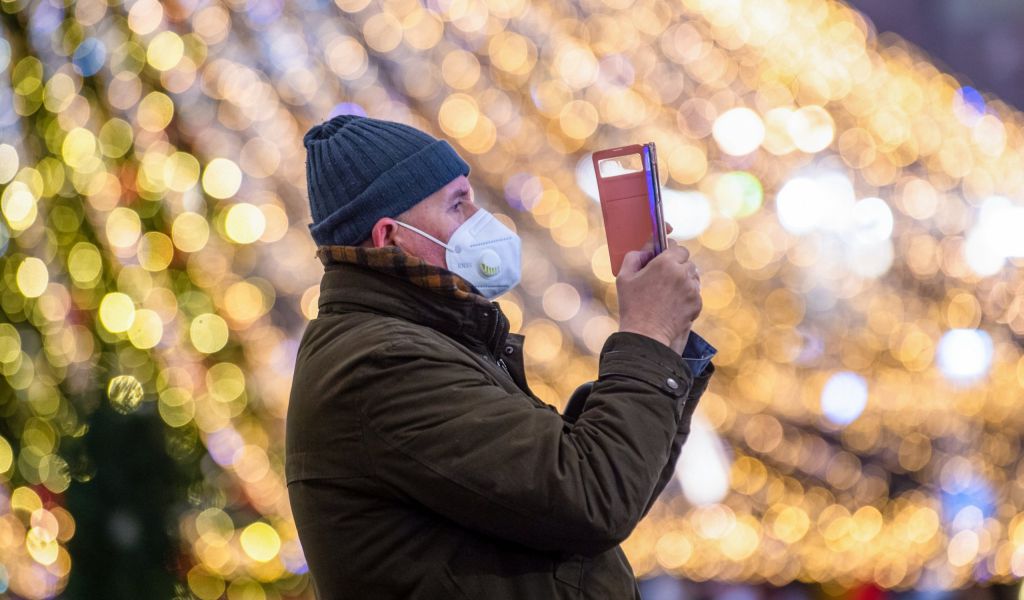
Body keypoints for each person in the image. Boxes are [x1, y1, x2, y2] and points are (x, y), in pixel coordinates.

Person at [285, 114, 717, 599]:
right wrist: (649, 333)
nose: (480, 221)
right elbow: (592, 495)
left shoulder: (425, 341)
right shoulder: (381, 364)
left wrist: (669, 343)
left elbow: (606, 486)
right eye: (457, 205)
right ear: (390, 237)